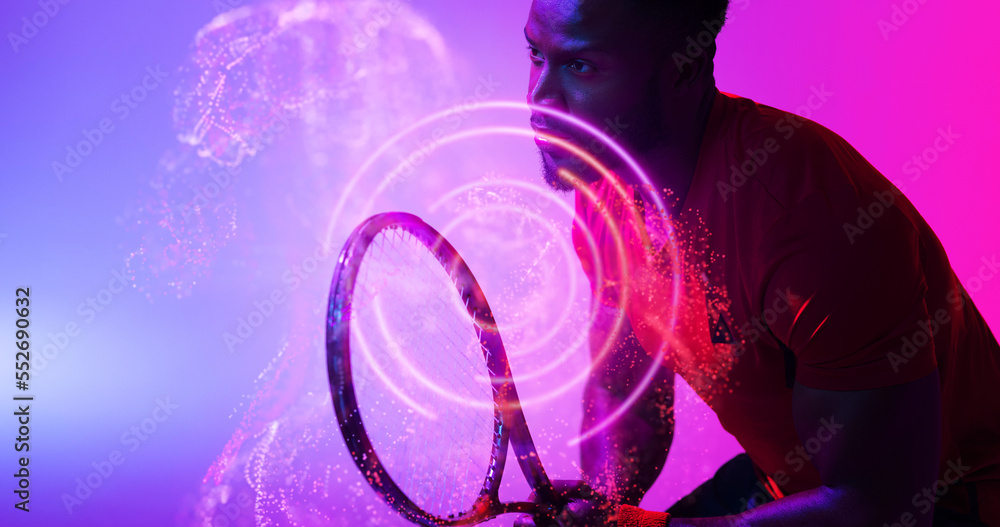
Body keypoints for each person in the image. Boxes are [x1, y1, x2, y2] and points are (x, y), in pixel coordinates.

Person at [520, 1, 1000, 525]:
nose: (540, 100)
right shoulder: (604, 183)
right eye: (535, 55)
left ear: (684, 66)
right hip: (794, 484)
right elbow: (624, 395)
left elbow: (880, 507)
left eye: (581, 65)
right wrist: (600, 506)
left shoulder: (813, 221)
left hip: (950, 502)